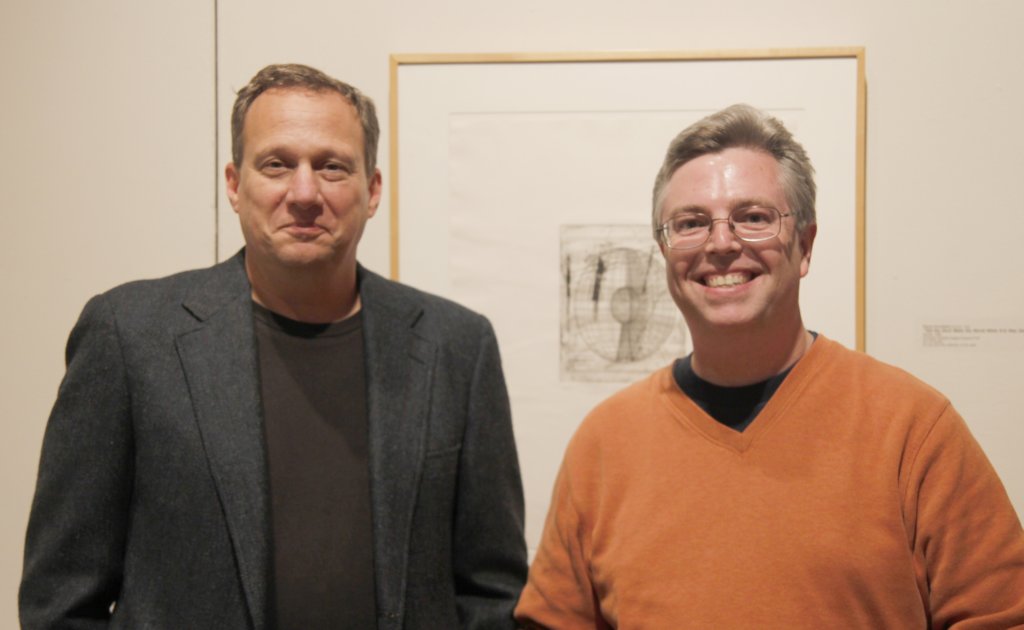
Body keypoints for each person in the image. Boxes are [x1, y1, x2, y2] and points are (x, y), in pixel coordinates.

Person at [20, 63, 527, 629]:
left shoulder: (457, 347)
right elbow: (61, 598)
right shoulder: (130, 337)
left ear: (372, 190)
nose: (304, 193)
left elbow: (491, 591)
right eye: (277, 165)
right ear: (235, 185)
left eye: (332, 166)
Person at [514, 104, 1024, 627]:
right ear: (664, 253)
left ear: (805, 245)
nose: (721, 243)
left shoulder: (912, 429)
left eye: (753, 218)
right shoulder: (604, 443)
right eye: (690, 223)